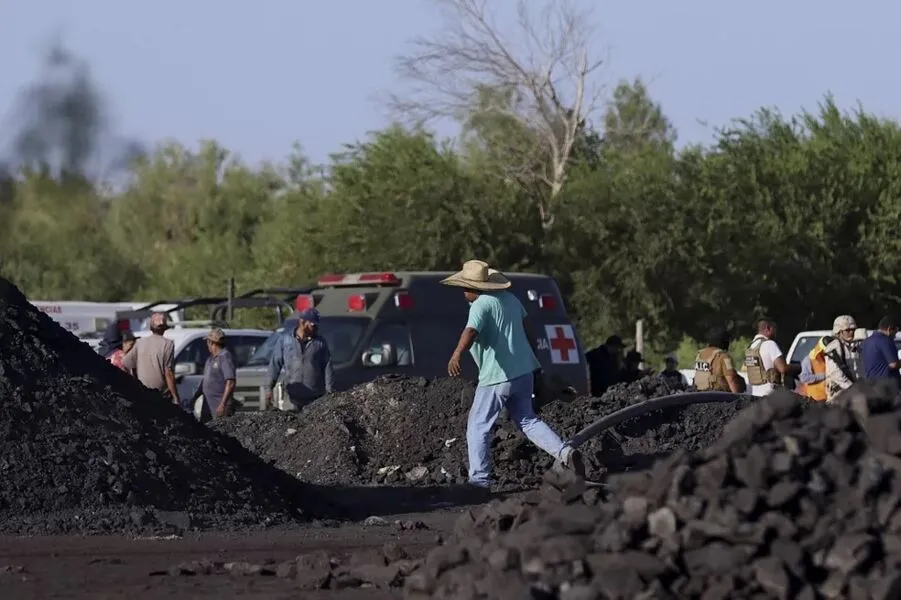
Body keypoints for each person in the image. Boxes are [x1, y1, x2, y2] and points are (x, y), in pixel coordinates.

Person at [441, 260, 585, 490]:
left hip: (497, 376)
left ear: (475, 287)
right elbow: (528, 327)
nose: (463, 291)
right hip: (523, 373)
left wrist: (457, 354)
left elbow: (470, 331)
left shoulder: (481, 305)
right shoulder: (511, 299)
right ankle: (565, 452)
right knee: (527, 419)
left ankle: (479, 481)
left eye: (465, 287)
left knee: (478, 425)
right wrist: (531, 357)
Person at [266, 307, 334, 411]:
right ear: (302, 322)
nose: (315, 328)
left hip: (314, 396)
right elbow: (275, 364)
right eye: (312, 325)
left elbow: (327, 366)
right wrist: (269, 387)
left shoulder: (320, 343)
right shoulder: (285, 340)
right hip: (291, 396)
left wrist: (329, 391)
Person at [121, 312, 180, 406]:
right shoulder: (168, 344)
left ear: (151, 327)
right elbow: (168, 372)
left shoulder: (140, 343)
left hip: (142, 394)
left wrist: (134, 383)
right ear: (164, 327)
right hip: (160, 395)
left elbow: (125, 364)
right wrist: (176, 398)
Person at [744, 319, 798, 396]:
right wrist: (799, 367)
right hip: (769, 395)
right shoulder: (770, 344)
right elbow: (783, 368)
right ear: (768, 328)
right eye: (774, 329)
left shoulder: (750, 347)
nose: (775, 333)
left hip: (753, 395)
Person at [197, 328, 237, 421]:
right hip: (208, 407)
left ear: (211, 342)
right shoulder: (210, 359)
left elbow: (230, 382)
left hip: (219, 407)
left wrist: (223, 404)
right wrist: (196, 396)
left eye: (207, 342)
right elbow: (205, 380)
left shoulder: (225, 357)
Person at [693, 327, 745, 393]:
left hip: (699, 395)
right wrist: (738, 398)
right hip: (719, 398)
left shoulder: (700, 354)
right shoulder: (724, 357)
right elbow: (732, 380)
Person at [823, 315, 862, 402]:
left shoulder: (854, 346)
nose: (851, 332)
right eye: (847, 330)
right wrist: (851, 388)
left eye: (853, 330)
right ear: (839, 332)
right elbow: (835, 372)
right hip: (839, 395)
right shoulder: (834, 346)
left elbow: (859, 369)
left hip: (853, 393)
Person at [860, 315, 901, 391]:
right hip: (888, 388)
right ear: (889, 329)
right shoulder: (885, 340)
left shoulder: (866, 342)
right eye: (895, 332)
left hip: (872, 387)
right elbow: (893, 364)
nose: (894, 336)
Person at [797, 335, 832, 402]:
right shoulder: (809, 359)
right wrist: (824, 375)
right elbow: (804, 378)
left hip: (828, 398)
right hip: (814, 399)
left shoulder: (828, 358)